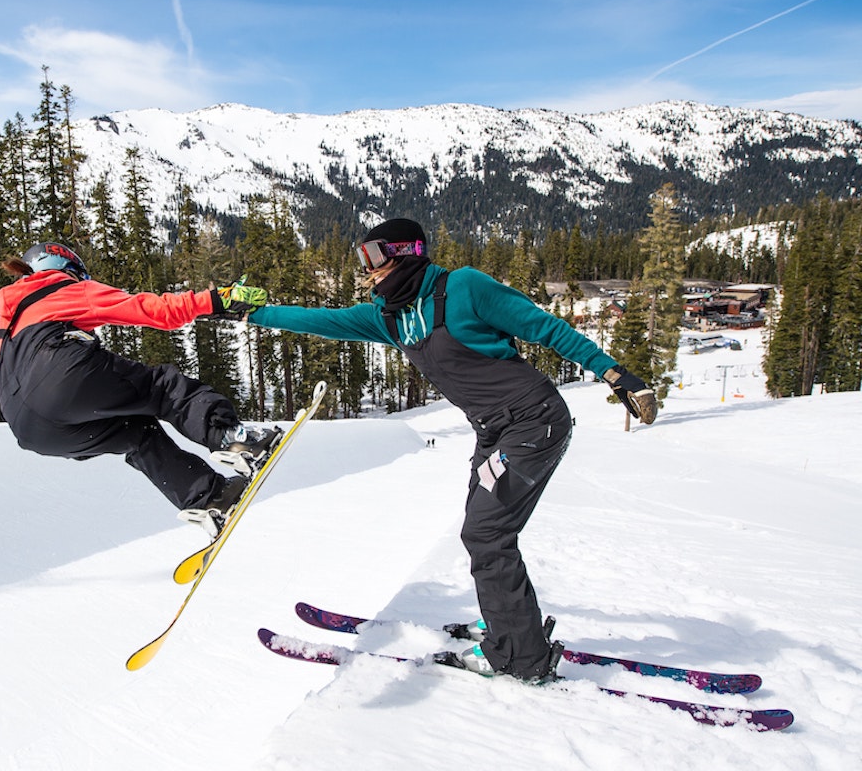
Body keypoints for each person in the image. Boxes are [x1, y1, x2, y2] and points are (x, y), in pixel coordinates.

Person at [248, 218, 656, 682]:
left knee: (488, 535)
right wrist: (250, 312)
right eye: (362, 261)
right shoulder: (390, 316)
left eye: (375, 258)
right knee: (481, 530)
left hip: (533, 422)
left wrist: (614, 373)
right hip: (493, 434)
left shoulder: (463, 287)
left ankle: (521, 659)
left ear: (406, 252)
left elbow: (546, 328)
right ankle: (508, 622)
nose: (369, 271)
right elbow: (319, 322)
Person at [0, 241, 279, 536]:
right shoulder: (63, 289)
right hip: (63, 375)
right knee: (163, 388)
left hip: (31, 430)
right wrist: (215, 300)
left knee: (136, 434)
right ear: (65, 268)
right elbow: (150, 309)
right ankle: (234, 438)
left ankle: (208, 498)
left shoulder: (5, 336)